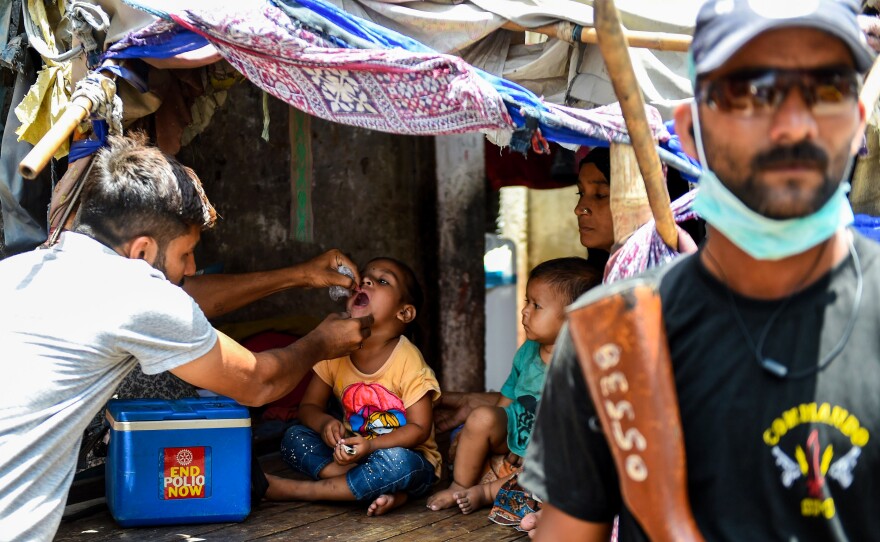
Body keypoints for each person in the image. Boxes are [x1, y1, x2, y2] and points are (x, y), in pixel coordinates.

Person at [520, 0, 880, 540]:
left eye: (826, 88)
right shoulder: (609, 340)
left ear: (856, 125)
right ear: (690, 132)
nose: (791, 123)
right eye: (751, 91)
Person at [0, 133, 373, 541]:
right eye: (186, 253)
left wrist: (299, 275)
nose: (193, 267)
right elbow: (259, 381)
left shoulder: (25, 271)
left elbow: (181, 298)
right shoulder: (138, 296)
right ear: (142, 251)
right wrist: (321, 342)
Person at [265, 257, 441, 517]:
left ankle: (303, 490)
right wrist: (325, 424)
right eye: (364, 277)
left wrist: (371, 447)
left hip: (408, 458)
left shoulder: (408, 359)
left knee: (399, 465)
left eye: (382, 281)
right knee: (294, 437)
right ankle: (364, 486)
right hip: (352, 455)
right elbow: (309, 407)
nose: (366, 281)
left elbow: (419, 429)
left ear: (404, 312)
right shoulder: (336, 350)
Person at [426, 258, 602, 516]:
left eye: (536, 305)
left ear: (573, 316)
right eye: (526, 302)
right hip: (515, 431)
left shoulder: (582, 362)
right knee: (481, 417)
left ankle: (484, 493)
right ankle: (459, 485)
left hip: (550, 448)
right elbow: (509, 393)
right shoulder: (528, 351)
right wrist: (491, 425)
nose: (525, 312)